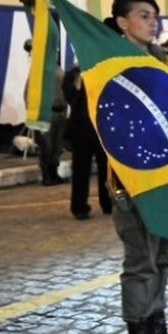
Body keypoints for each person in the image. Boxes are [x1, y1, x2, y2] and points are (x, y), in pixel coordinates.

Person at [103, 0, 168, 334]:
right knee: (141, 262)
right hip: (132, 178)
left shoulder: (163, 60)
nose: (152, 21)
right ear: (122, 22)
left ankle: (159, 333)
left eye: (154, 15)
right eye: (143, 15)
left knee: (162, 257)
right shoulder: (105, 64)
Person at [62, 65, 112, 220]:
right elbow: (71, 98)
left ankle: (107, 202)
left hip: (101, 127)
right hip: (81, 129)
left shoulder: (103, 71)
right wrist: (78, 80)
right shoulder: (72, 75)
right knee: (81, 170)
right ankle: (79, 206)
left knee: (105, 168)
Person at [25, 37, 68, 186]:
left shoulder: (57, 69)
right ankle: (46, 175)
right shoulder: (38, 71)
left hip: (60, 112)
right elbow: (28, 93)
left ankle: (54, 173)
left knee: (57, 146)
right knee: (46, 146)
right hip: (46, 113)